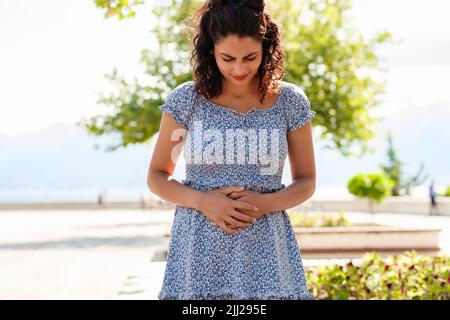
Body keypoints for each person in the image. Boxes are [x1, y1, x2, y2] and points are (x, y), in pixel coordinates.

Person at [147, 0, 316, 300]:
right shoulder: (187, 101)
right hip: (197, 251)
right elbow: (158, 177)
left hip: (267, 251)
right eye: (228, 58)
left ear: (266, 48)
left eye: (250, 57)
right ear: (211, 49)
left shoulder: (290, 102)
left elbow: (306, 181)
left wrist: (264, 204)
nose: (239, 68)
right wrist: (202, 201)